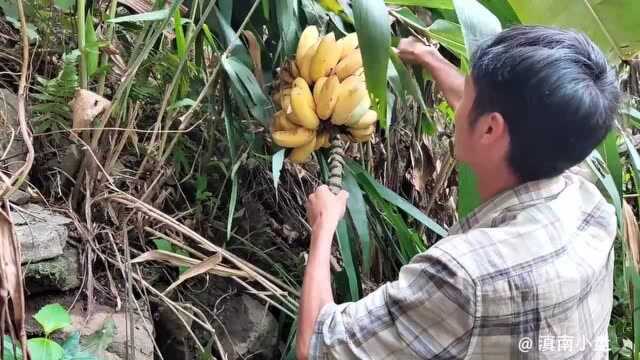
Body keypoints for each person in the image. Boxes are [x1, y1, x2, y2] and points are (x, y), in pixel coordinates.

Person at [296, 26, 622, 359]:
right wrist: (431, 58)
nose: (457, 106)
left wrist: (323, 227)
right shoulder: (591, 204)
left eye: (467, 96)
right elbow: (499, 120)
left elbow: (316, 345)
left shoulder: (463, 279)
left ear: (491, 128)